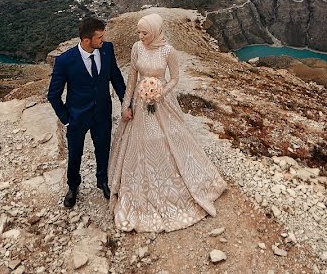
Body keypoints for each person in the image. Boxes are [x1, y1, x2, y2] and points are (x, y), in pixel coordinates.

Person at [108, 12, 227, 232]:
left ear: (154, 31)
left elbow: (175, 78)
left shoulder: (168, 51)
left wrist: (161, 91)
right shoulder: (136, 48)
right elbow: (132, 80)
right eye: (139, 32)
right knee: (141, 140)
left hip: (163, 101)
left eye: (144, 33)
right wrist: (126, 105)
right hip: (140, 103)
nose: (141, 36)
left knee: (169, 137)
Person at [47, 16, 126, 208]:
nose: (103, 40)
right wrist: (67, 119)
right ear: (86, 40)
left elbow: (115, 77)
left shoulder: (107, 50)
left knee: (103, 149)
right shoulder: (65, 61)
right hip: (77, 117)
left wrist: (126, 102)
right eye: (99, 37)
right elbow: (53, 95)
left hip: (102, 114)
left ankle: (103, 181)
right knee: (75, 154)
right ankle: (73, 187)